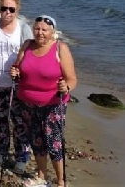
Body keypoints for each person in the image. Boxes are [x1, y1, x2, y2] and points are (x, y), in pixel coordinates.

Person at [10, 15, 77, 187]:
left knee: (54, 144)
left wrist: (66, 87)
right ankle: (42, 176)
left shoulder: (60, 48)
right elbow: (18, 67)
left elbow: (72, 79)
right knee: (36, 140)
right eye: (37, 29)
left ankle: (61, 182)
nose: (40, 33)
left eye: (44, 30)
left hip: (52, 105)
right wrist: (15, 73)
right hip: (27, 103)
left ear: (52, 32)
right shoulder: (27, 45)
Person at [0, 0, 33, 172]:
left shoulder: (23, 28)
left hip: (17, 85)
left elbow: (31, 55)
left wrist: (21, 71)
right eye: (4, 8)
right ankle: (2, 151)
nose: (7, 12)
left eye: (11, 9)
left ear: (17, 10)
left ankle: (21, 157)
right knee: (0, 120)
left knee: (20, 122)